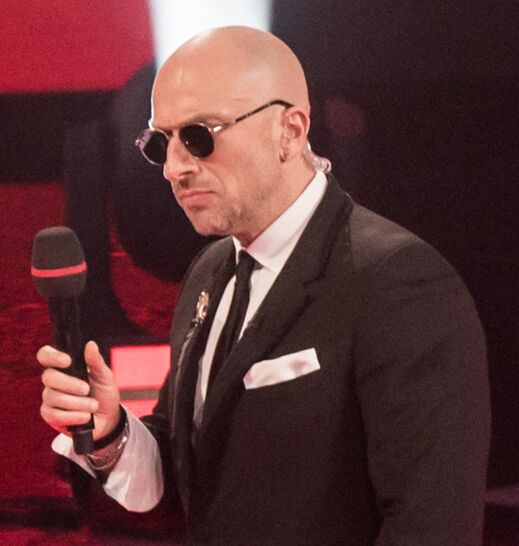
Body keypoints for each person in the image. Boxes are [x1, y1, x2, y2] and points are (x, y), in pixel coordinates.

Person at [38, 26, 490, 545]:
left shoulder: (398, 281)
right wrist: (110, 432)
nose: (174, 169)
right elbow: (191, 480)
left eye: (199, 136)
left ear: (290, 132)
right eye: (161, 143)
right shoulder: (209, 272)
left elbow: (431, 525)